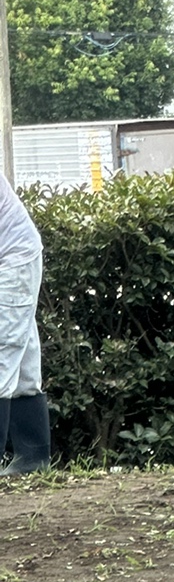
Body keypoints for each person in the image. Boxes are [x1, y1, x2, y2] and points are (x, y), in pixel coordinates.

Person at [0, 170, 51, 477]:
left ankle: (33, 456)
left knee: (3, 349)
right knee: (22, 356)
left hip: (13, 258)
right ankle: (33, 455)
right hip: (13, 254)